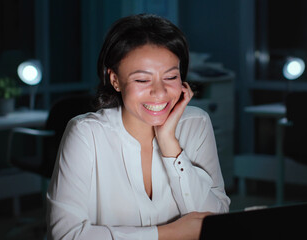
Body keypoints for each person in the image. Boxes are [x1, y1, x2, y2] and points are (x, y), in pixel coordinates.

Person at [46, 13, 230, 240]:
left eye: (171, 77)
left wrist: (170, 145)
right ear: (114, 80)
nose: (160, 92)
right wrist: (168, 233)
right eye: (142, 80)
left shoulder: (196, 123)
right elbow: (65, 235)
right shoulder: (86, 133)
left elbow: (216, 220)